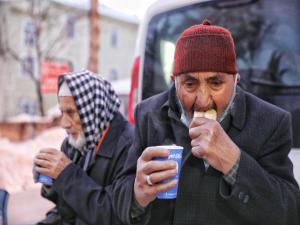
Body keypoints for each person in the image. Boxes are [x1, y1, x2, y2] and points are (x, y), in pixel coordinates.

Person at [113, 20, 300, 225]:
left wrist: (234, 162)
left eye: (216, 83)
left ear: (235, 80)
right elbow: (120, 196)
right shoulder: (149, 114)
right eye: (190, 84)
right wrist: (137, 195)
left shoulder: (270, 122)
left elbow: (289, 212)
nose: (203, 100)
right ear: (174, 80)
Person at [33, 70, 133, 225]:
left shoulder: (129, 145)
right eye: (62, 112)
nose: (64, 123)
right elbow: (67, 210)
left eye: (71, 112)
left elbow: (114, 215)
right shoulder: (73, 143)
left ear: (94, 108)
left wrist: (66, 174)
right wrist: (52, 183)